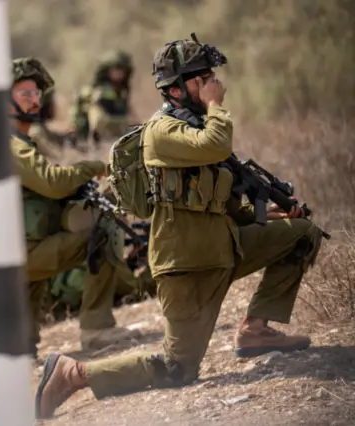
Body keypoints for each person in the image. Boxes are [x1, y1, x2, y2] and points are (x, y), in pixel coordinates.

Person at [34, 36, 325, 418]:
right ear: (174, 88)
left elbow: (213, 200)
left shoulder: (196, 124)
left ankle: (255, 329)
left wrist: (267, 214)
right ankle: (73, 373)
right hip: (187, 268)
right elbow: (216, 145)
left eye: (211, 77)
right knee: (178, 369)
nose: (210, 84)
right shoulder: (163, 132)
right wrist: (216, 104)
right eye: (200, 78)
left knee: (302, 235)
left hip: (224, 248)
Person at [10, 58, 141, 357]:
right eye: (25, 94)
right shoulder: (11, 144)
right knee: (105, 231)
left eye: (36, 94)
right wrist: (92, 167)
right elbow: (52, 181)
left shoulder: (19, 141)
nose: (34, 101)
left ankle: (23, 346)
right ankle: (96, 329)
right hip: (22, 253)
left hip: (20, 249)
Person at [70, 50, 138, 146]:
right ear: (107, 71)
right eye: (116, 69)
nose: (119, 73)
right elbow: (92, 117)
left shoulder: (122, 91)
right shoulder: (97, 91)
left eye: (122, 70)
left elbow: (129, 112)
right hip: (96, 134)